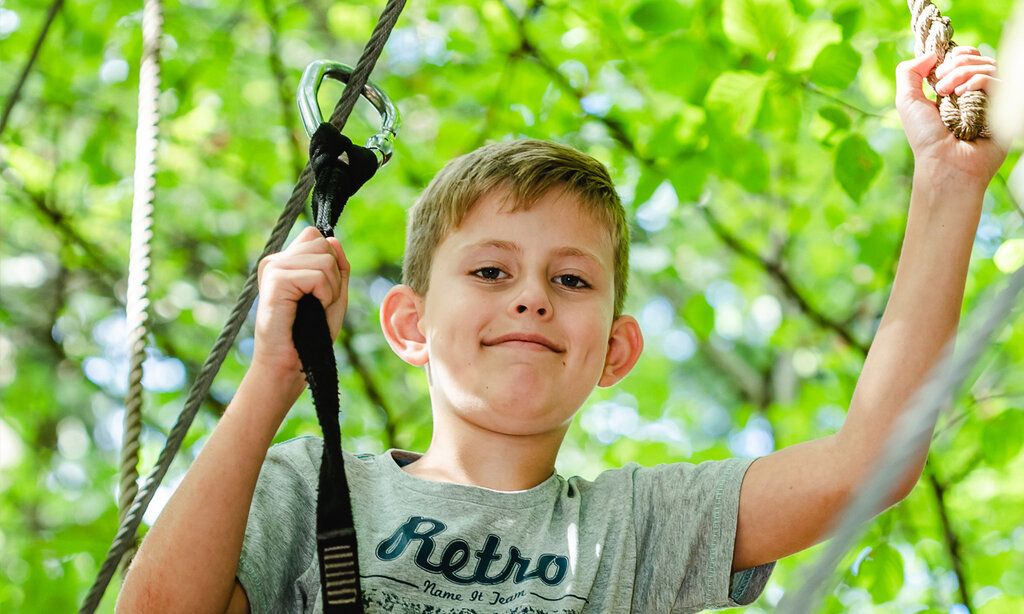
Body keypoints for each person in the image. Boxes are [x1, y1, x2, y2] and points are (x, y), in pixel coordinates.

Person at [116, 47, 1006, 613]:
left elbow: (870, 463)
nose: (532, 298)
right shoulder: (306, 486)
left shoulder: (636, 528)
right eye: (491, 271)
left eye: (570, 279)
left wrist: (947, 181)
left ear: (615, 351)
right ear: (409, 323)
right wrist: (276, 377)